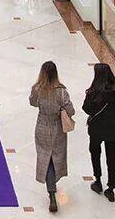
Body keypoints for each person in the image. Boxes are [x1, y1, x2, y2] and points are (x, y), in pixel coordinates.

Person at [30, 61, 77, 212]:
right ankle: (52, 187)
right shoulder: (61, 91)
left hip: (42, 126)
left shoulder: (38, 89)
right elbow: (71, 110)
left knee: (46, 157)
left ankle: (51, 190)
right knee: (55, 157)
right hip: (57, 128)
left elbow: (32, 103)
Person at [83, 63, 115, 202]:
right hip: (112, 129)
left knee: (95, 153)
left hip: (96, 129)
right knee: (112, 158)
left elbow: (86, 109)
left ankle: (98, 180)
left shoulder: (94, 91)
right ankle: (111, 187)